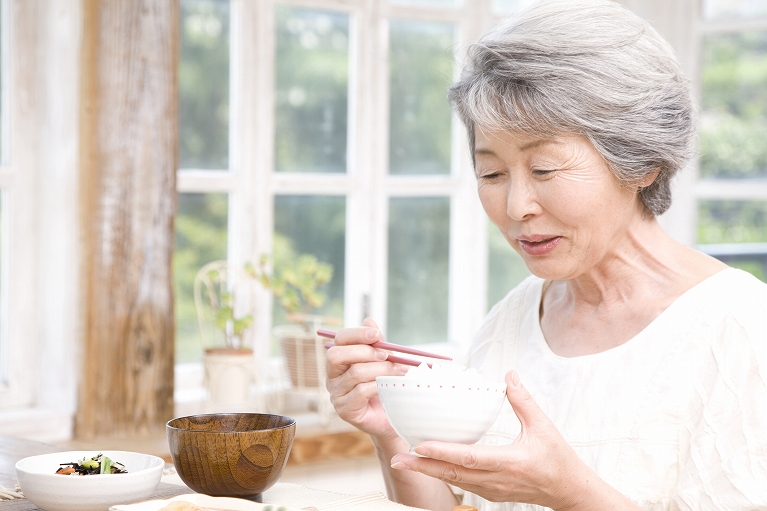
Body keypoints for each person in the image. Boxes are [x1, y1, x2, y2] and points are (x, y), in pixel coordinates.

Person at [324, 0, 767, 509]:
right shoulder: (513, 320)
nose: (515, 207)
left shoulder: (740, 329)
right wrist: (390, 429)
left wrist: (568, 494)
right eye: (491, 174)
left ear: (642, 161)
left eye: (545, 170)